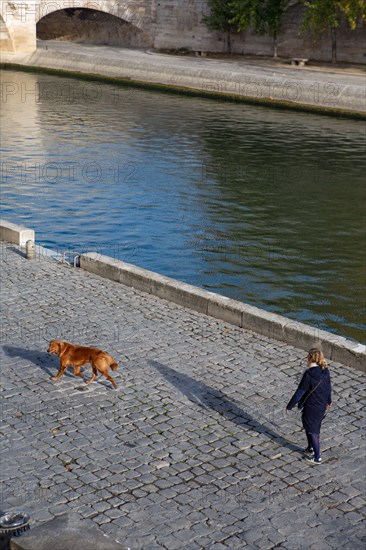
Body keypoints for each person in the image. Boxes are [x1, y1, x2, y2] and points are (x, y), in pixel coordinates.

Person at [286, 348, 332, 464]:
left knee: (313, 431)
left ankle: (317, 457)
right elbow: (328, 387)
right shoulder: (325, 370)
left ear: (310, 358)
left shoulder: (309, 374)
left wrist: (289, 406)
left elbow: (299, 392)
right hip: (321, 405)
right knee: (310, 427)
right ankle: (310, 448)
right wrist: (329, 400)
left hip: (311, 406)